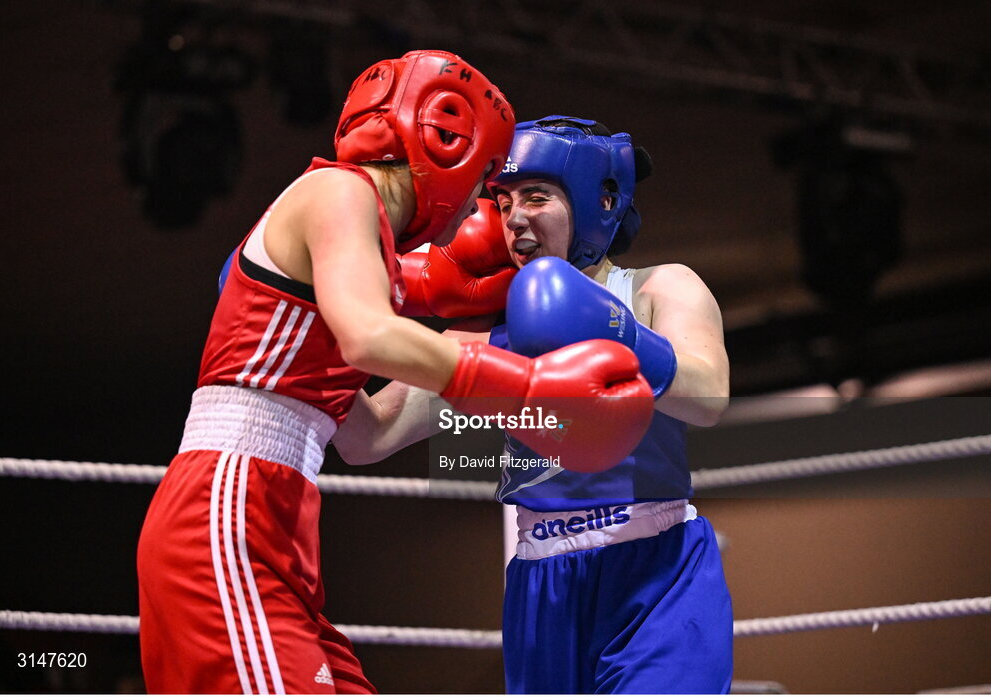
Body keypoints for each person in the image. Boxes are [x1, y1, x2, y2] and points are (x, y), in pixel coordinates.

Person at [136, 54, 655, 694]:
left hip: (272, 513)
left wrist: (475, 338)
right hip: (225, 509)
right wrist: (522, 386)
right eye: (488, 181)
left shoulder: (358, 238)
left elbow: (361, 436)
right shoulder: (339, 191)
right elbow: (369, 336)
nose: (478, 208)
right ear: (448, 144)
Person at [333, 116, 734, 693]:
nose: (514, 217)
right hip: (541, 583)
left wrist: (612, 330)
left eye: (537, 197)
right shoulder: (477, 338)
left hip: (657, 569)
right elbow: (367, 439)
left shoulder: (655, 289)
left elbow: (710, 396)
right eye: (503, 201)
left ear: (600, 203)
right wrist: (317, 316)